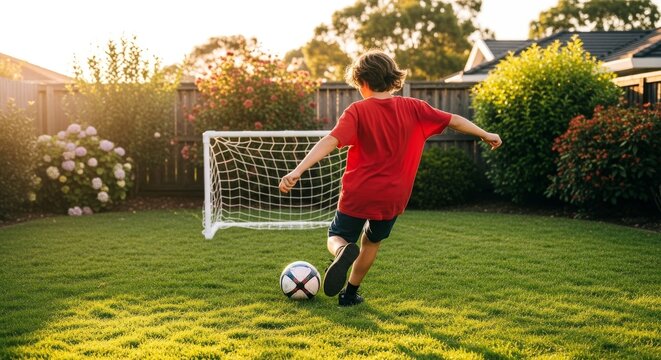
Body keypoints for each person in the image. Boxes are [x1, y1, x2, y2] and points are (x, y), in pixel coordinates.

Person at [279, 49, 502, 306]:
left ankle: (341, 250)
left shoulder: (358, 111)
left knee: (336, 235)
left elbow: (330, 141)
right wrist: (486, 134)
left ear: (362, 82)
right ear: (392, 78)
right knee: (371, 242)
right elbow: (455, 120)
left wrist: (298, 170)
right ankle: (350, 294)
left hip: (359, 192)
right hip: (394, 196)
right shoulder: (415, 108)